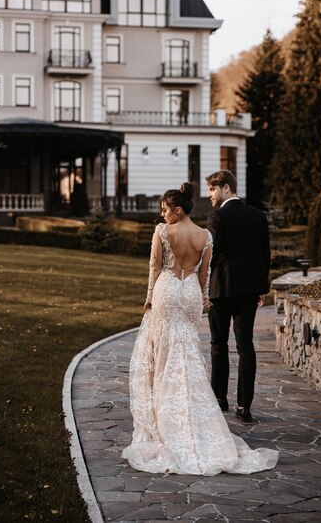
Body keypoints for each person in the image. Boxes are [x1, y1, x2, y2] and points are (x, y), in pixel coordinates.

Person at [122, 183, 278, 475]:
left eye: (165, 209)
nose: (162, 214)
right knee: (187, 351)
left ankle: (163, 416)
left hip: (168, 291)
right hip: (191, 294)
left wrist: (147, 298)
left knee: (163, 350)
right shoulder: (205, 236)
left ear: (177, 210)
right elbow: (204, 273)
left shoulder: (162, 232)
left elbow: (155, 268)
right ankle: (195, 411)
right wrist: (204, 297)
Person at [206, 170, 271, 423]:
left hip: (221, 290)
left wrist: (203, 287)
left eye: (212, 189)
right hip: (248, 291)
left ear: (224, 187)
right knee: (246, 346)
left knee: (218, 345)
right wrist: (260, 289)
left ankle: (219, 399)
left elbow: (213, 254)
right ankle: (244, 406)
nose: (210, 194)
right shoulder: (258, 216)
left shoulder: (217, 216)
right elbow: (264, 254)